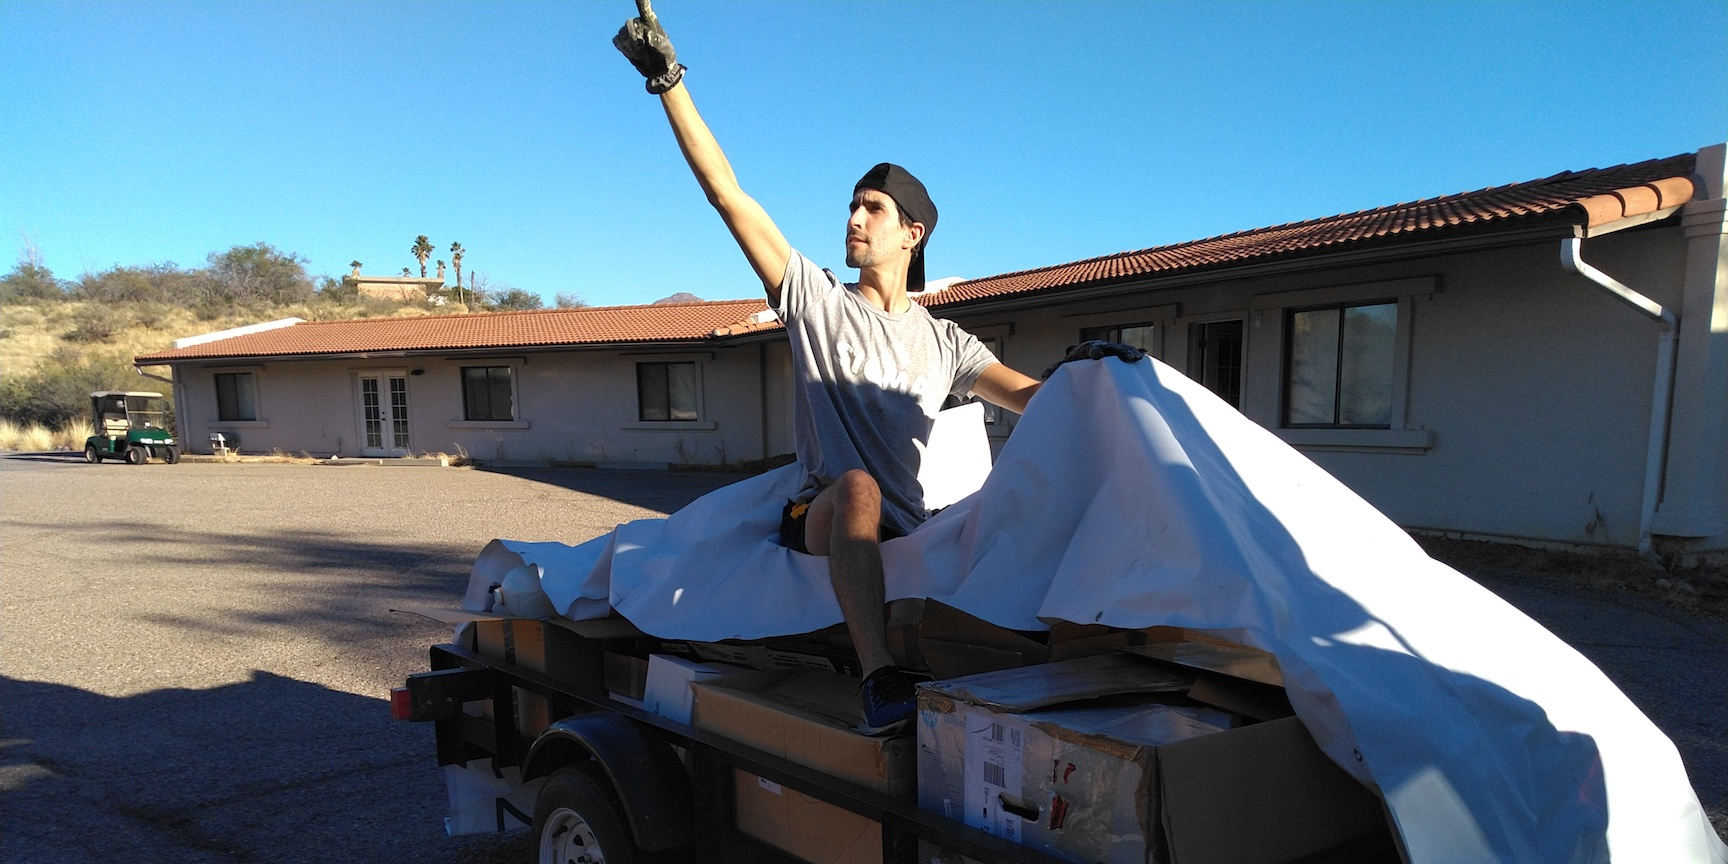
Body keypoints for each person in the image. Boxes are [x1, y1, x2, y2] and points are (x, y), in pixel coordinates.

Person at [614, 1, 1142, 732]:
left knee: (1002, 514)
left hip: (907, 524)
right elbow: (728, 195)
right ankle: (879, 682)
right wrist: (669, 81)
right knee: (857, 485)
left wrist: (1090, 370)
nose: (853, 219)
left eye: (872, 209)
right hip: (821, 514)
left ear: (911, 233)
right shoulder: (816, 301)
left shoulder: (946, 340)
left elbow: (1031, 398)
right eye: (852, 206)